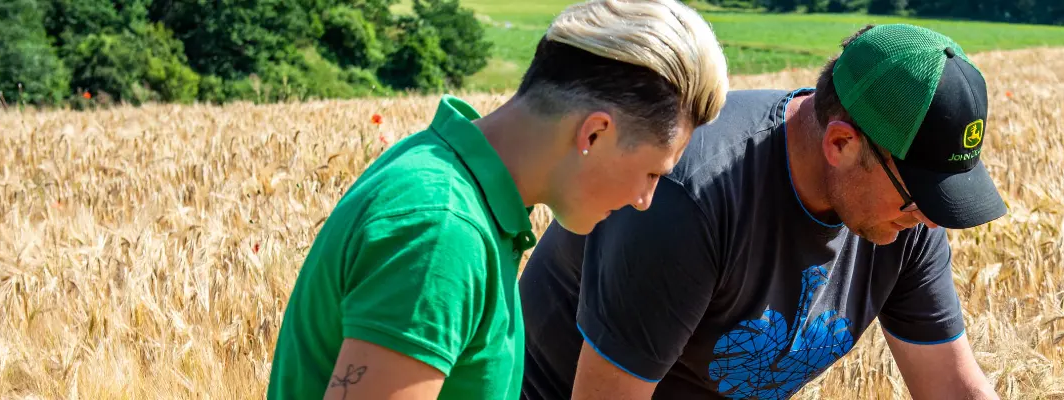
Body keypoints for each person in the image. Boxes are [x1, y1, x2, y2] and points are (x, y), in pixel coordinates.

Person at [266, 1, 728, 398]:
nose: (646, 199)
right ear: (595, 133)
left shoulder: (443, 176)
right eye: (651, 172)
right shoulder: (442, 232)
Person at [521, 24, 1005, 400]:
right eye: (919, 194)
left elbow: (953, 387)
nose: (932, 220)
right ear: (840, 143)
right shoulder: (692, 197)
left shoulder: (904, 217)